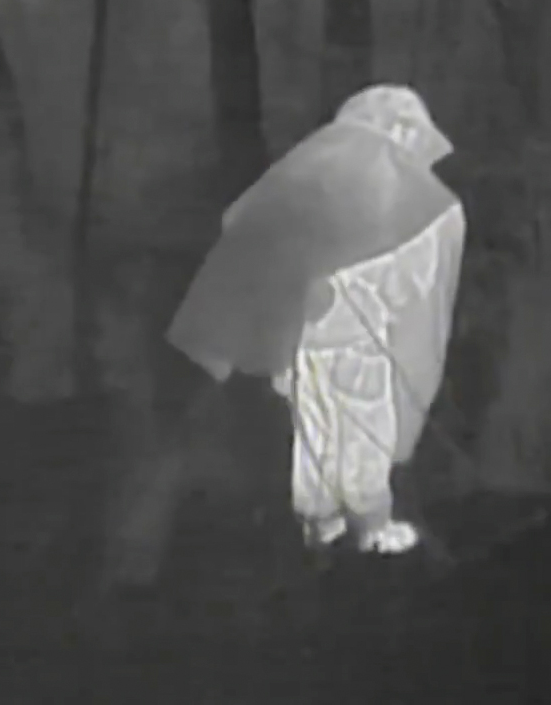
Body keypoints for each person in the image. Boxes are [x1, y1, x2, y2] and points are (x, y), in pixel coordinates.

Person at [166, 84, 466, 554]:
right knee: (357, 425)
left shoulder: (314, 182)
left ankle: (324, 522)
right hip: (345, 343)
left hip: (312, 340)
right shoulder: (396, 196)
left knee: (319, 428)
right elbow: (408, 282)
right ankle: (363, 523)